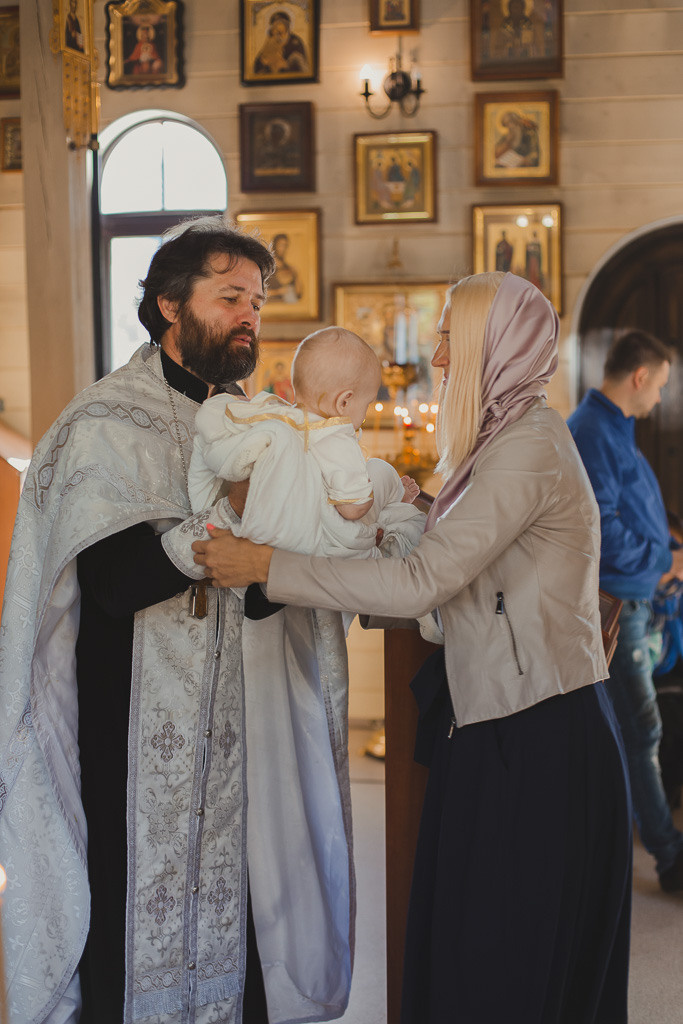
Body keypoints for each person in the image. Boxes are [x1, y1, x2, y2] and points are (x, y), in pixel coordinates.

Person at [193, 271, 633, 1024]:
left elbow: (422, 582)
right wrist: (400, 510)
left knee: (503, 963)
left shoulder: (526, 448)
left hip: (535, 734)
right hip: (497, 720)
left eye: (451, 339)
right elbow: (462, 571)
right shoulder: (505, 439)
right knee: (472, 948)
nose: (437, 358)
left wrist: (267, 565)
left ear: (496, 347)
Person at [0, 217, 356, 1023]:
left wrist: (318, 541)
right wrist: (220, 520)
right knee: (130, 912)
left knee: (239, 902)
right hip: (130, 728)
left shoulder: (258, 425)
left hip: (232, 727)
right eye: (230, 298)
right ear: (170, 305)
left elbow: (260, 590)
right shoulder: (104, 424)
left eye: (256, 302)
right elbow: (112, 585)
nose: (249, 317)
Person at [568, 329, 683, 893]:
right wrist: (661, 563)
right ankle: (670, 858)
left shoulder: (613, 425)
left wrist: (669, 549)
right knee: (641, 730)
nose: (660, 397)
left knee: (634, 729)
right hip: (617, 605)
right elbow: (602, 531)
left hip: (637, 599)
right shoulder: (593, 430)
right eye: (659, 385)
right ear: (639, 377)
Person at [253, 10, 309, 76]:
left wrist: (285, 65)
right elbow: (258, 64)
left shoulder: (295, 41)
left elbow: (302, 66)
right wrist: (263, 61)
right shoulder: (271, 40)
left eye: (280, 23)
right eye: (274, 25)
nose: (277, 26)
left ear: (286, 26)